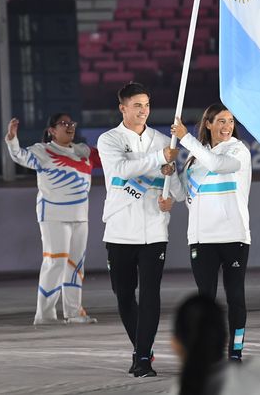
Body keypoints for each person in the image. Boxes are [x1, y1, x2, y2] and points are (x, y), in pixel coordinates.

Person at [97, 82, 180, 378]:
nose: (143, 110)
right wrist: (160, 160)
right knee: (123, 295)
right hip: (119, 230)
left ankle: (142, 357)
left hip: (154, 231)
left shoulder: (162, 139)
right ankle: (140, 346)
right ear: (123, 108)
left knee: (150, 295)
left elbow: (177, 190)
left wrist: (171, 187)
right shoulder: (109, 140)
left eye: (146, 104)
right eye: (137, 105)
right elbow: (121, 171)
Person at [169, 103, 252, 361]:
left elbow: (217, 165)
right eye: (221, 121)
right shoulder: (195, 158)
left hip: (233, 236)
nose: (227, 127)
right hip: (201, 240)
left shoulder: (239, 150)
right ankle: (207, 350)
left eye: (230, 121)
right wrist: (170, 174)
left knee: (235, 296)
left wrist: (185, 138)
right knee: (205, 300)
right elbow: (182, 194)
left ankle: (235, 350)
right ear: (208, 123)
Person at [5, 113, 99, 325]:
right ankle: (45, 315)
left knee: (75, 265)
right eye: (63, 123)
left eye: (71, 123)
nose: (69, 126)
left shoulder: (83, 150)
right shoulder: (43, 150)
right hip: (53, 215)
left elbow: (109, 159)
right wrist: (12, 139)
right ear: (51, 131)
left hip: (80, 215)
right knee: (55, 262)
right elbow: (19, 155)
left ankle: (74, 313)